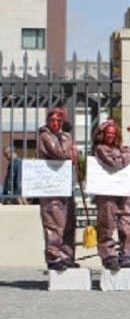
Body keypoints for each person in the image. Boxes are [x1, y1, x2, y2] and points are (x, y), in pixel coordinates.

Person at [93, 119, 130, 271]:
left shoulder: (122, 149)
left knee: (128, 224)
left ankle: (126, 256)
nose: (110, 137)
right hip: (107, 193)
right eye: (108, 134)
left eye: (113, 134)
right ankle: (108, 256)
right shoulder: (100, 148)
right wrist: (128, 153)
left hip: (124, 192)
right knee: (107, 225)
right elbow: (115, 163)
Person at [38, 108, 77, 271]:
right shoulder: (46, 136)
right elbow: (60, 153)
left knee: (68, 222)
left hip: (65, 185)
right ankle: (54, 257)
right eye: (53, 120)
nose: (56, 123)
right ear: (48, 121)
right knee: (53, 224)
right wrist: (67, 141)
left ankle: (66, 255)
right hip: (50, 187)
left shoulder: (64, 137)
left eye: (59, 121)